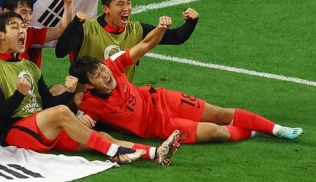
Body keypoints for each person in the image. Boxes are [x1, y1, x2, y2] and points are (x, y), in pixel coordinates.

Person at [0, 12, 180, 164]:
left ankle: (154, 152)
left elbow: (47, 103)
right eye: (14, 27)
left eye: (23, 26)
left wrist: (70, 94)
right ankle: (114, 152)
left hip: (42, 128)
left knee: (101, 137)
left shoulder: (29, 66)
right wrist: (19, 94)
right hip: (12, 133)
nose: (22, 31)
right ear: (1, 35)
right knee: (64, 113)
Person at [69, 16, 303, 145]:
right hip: (160, 127)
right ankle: (253, 131)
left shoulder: (113, 65)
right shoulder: (88, 103)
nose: (105, 75)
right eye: (97, 76)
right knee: (216, 132)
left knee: (220, 113)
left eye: (101, 69)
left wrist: (160, 29)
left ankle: (277, 129)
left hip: (162, 99)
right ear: (89, 84)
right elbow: (77, 127)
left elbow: (145, 45)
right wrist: (77, 105)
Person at [55, 0, 198, 81]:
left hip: (122, 101)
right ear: (106, 9)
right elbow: (60, 51)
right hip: (87, 101)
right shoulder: (86, 29)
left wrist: (191, 21)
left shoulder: (136, 29)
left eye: (128, 3)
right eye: (120, 4)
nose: (126, 9)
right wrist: (74, 24)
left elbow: (176, 37)